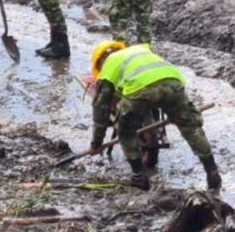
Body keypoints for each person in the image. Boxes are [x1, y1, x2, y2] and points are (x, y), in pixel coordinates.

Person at [88, 40, 221, 191]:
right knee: (190, 127)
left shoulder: (108, 67)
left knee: (126, 131)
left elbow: (100, 109)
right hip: (173, 82)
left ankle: (139, 176)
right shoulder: (140, 50)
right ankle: (213, 173)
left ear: (99, 62)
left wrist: (96, 143)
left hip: (140, 90)